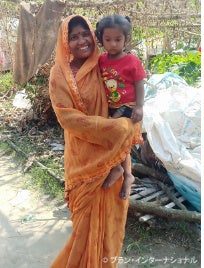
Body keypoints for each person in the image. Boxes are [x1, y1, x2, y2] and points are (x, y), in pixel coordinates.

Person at [49, 15, 139, 267]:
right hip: (83, 161)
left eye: (84, 34)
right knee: (83, 229)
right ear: (65, 42)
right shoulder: (59, 75)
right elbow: (67, 117)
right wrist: (115, 128)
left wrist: (123, 126)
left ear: (93, 36)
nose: (81, 41)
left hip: (113, 157)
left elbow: (124, 97)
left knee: (109, 225)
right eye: (74, 37)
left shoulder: (104, 65)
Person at [94, 15, 146, 199]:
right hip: (112, 106)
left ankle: (116, 168)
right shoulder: (101, 60)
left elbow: (140, 84)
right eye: (108, 40)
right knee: (121, 143)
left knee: (109, 129)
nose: (113, 44)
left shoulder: (132, 61)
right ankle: (128, 175)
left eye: (118, 40)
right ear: (101, 40)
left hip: (128, 106)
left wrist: (139, 106)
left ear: (126, 39)